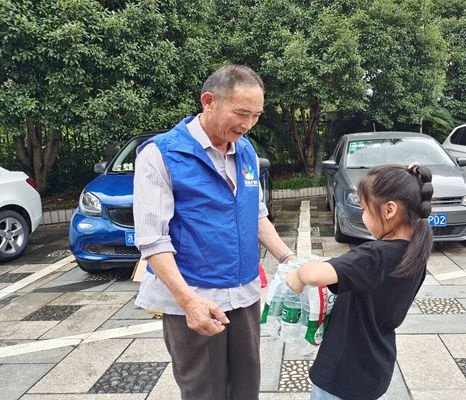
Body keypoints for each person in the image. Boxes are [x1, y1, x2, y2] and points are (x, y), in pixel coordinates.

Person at [133, 64, 297, 400]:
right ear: (209, 101)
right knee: (204, 392)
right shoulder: (161, 154)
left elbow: (255, 214)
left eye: (256, 115)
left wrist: (288, 258)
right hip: (196, 295)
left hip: (244, 293)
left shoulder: (245, 151)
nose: (248, 124)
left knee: (246, 388)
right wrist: (188, 301)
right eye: (241, 113)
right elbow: (152, 240)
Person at [286, 164, 434, 400]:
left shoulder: (374, 255)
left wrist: (297, 275)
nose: (363, 216)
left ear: (389, 210)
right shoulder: (415, 256)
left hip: (342, 373)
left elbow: (314, 275)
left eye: (365, 209)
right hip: (375, 366)